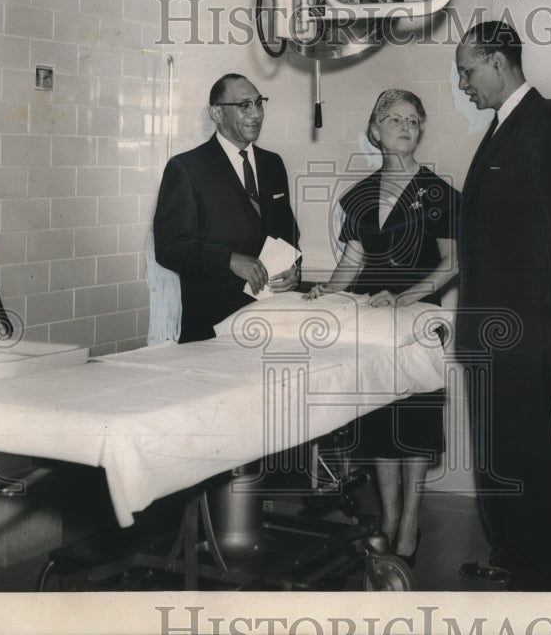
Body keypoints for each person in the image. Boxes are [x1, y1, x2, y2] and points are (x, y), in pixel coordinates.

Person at [454, 21, 551, 591]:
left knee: (524, 456)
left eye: (467, 71)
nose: (464, 84)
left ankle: (538, 576)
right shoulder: (504, 126)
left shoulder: (542, 128)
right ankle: (508, 555)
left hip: (521, 330)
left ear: (496, 61)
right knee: (496, 455)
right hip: (491, 329)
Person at [304, 88, 460, 565]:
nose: (405, 126)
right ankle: (388, 518)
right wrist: (324, 293)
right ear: (375, 130)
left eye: (414, 119)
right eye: (394, 118)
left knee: (414, 426)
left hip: (416, 327)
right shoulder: (359, 196)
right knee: (380, 425)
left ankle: (410, 523)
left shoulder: (440, 193)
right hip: (372, 329)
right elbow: (352, 264)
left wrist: (407, 295)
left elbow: (454, 263)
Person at [153, 73, 300, 343]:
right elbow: (169, 248)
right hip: (213, 329)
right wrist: (229, 259)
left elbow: (288, 231)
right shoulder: (186, 168)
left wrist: (293, 268)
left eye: (259, 103)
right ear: (217, 113)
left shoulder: (273, 164)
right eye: (245, 105)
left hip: (274, 321)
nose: (256, 114)